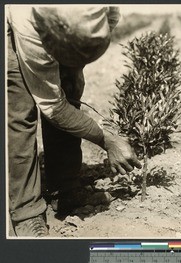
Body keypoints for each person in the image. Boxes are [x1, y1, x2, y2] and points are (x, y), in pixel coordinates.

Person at [7, 5, 142, 237]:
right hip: (13, 29)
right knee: (21, 112)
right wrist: (105, 138)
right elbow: (53, 107)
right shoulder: (29, 24)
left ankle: (64, 189)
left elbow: (109, 19)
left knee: (69, 91)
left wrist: (75, 66)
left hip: (63, 31)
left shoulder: (105, 10)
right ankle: (27, 210)